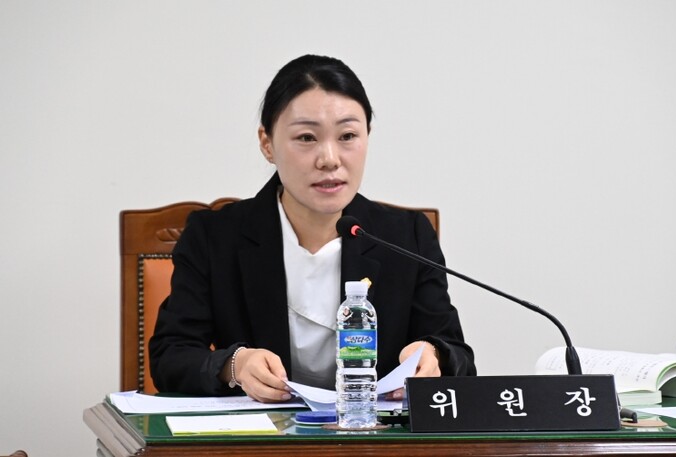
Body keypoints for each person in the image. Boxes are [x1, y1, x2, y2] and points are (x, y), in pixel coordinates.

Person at [149, 54, 476, 403]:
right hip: (261, 431)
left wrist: (434, 356)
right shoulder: (214, 236)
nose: (330, 159)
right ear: (267, 143)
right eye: (306, 137)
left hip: (368, 429)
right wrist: (233, 365)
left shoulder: (406, 237)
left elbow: (458, 355)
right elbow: (171, 356)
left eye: (348, 135)